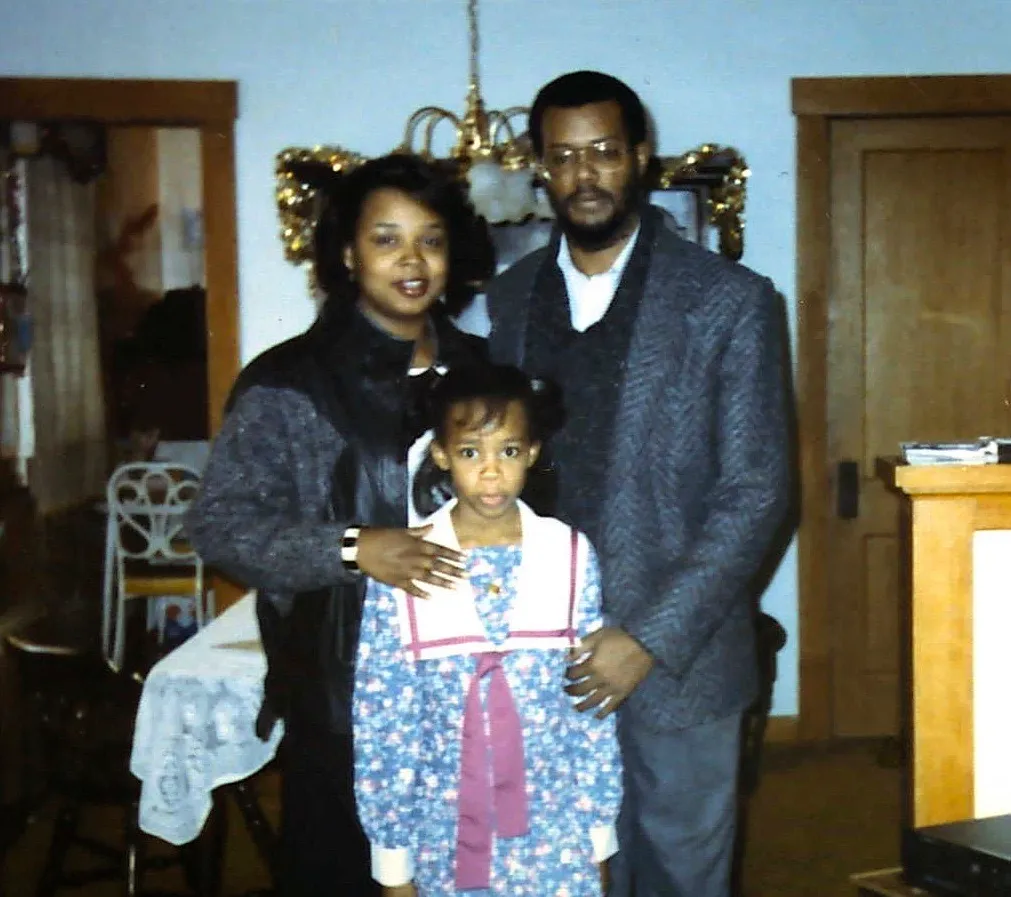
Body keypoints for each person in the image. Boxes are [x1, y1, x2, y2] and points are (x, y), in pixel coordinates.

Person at [485, 71, 792, 897]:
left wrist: (645, 638)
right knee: (563, 872)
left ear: (640, 158)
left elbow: (757, 491)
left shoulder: (730, 300)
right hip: (540, 652)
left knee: (679, 875)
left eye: (603, 151)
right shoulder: (508, 300)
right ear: (539, 168)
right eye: (563, 156)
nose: (584, 174)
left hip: (679, 661)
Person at [186, 153, 493, 896]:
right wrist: (355, 547)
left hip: (474, 678)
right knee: (346, 872)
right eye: (387, 239)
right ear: (349, 253)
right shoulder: (289, 380)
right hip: (343, 690)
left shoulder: (488, 373)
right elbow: (220, 523)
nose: (413, 260)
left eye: (431, 238)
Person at [352, 363, 621, 897]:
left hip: (553, 830)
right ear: (441, 455)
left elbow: (589, 707)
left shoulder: (567, 554)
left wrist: (597, 838)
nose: (492, 473)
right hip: (443, 829)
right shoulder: (409, 562)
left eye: (510, 452)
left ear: (534, 452)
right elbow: (384, 723)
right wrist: (393, 865)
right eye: (472, 452)